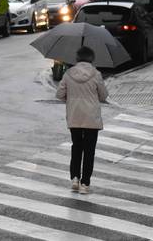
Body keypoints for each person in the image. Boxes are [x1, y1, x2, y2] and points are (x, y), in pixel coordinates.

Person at [55, 46, 108, 194]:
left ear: (77, 58)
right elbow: (103, 96)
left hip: (75, 116)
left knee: (76, 147)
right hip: (92, 117)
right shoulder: (96, 74)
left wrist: (70, 99)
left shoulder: (68, 73)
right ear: (92, 58)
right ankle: (85, 184)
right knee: (89, 150)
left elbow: (59, 94)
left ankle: (75, 178)